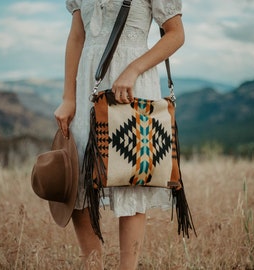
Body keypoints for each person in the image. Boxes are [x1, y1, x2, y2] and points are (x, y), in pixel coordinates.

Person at [54, 0, 185, 269]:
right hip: (87, 83)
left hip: (133, 85)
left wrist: (133, 69)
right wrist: (69, 97)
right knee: (79, 176)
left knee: (131, 175)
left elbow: (176, 34)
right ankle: (93, 266)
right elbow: (77, 37)